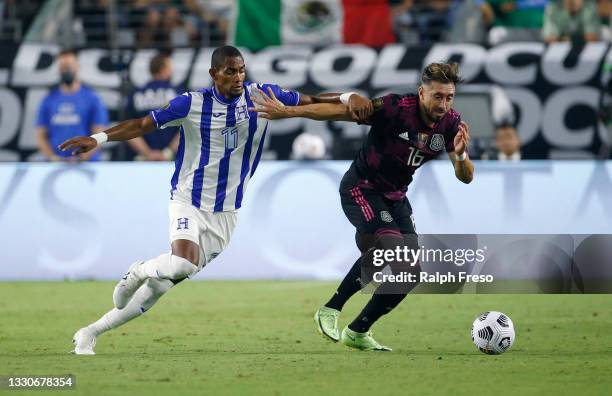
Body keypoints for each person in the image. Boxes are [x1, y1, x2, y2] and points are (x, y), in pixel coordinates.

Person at [60, 45, 370, 355]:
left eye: (241, 70)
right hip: (188, 200)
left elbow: (313, 101)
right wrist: (98, 138)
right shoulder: (191, 103)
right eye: (230, 71)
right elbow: (142, 125)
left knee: (163, 285)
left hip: (226, 214)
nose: (238, 77)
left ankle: (90, 332)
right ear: (214, 74)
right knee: (181, 262)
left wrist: (347, 98)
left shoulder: (262, 96)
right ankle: (139, 269)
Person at [251, 62, 474, 351]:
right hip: (362, 188)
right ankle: (330, 309)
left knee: (410, 273)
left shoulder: (452, 125)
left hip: (396, 197)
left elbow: (466, 177)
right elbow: (342, 111)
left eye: (449, 97)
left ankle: (357, 331)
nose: (444, 104)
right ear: (422, 92)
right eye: (438, 96)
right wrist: (291, 112)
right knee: (387, 248)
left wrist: (458, 156)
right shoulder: (396, 108)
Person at [36, 49, 109, 162]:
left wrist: (81, 158)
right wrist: (53, 158)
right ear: (58, 69)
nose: (67, 69)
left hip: (87, 164)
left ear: (77, 66)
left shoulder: (92, 98)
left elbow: (99, 134)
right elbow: (40, 135)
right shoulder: (49, 99)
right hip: (56, 165)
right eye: (63, 66)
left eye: (70, 65)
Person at [125, 53, 182, 161]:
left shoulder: (136, 94)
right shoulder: (178, 93)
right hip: (172, 160)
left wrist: (147, 153)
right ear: (164, 69)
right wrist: (167, 153)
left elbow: (129, 129)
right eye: (170, 67)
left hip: (143, 159)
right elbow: (188, 128)